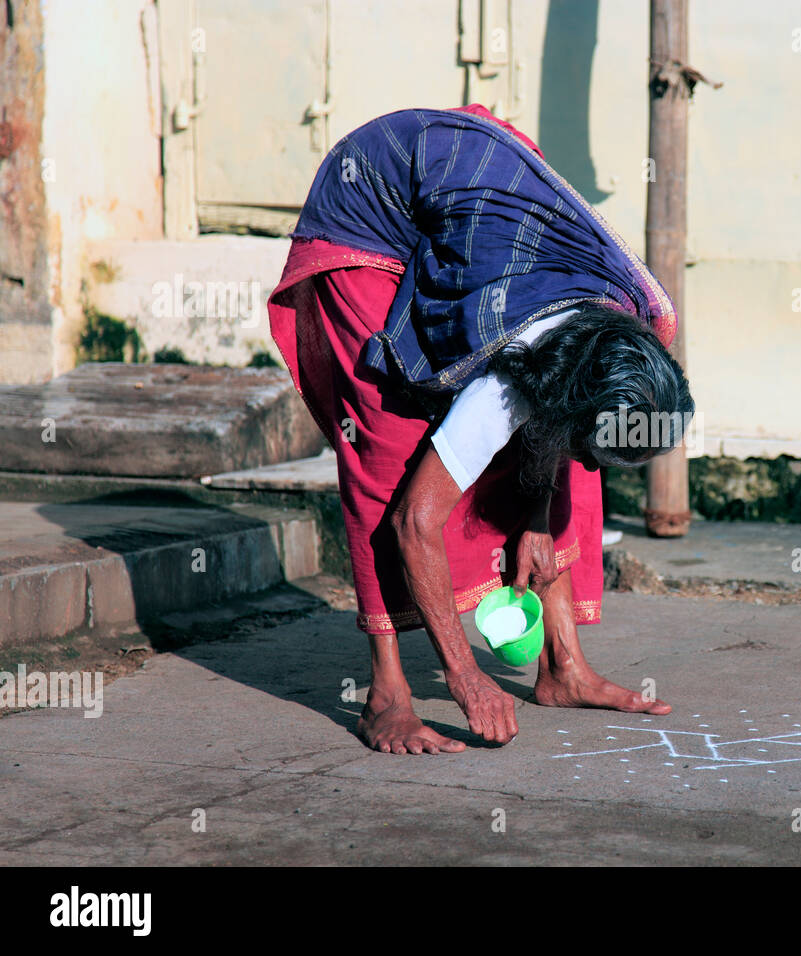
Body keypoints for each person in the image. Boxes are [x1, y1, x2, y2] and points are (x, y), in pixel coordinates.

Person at [268, 105, 693, 754]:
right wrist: (466, 677)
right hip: (373, 193)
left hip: (483, 187)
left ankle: (563, 667)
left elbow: (564, 413)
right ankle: (385, 694)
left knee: (589, 446)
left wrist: (539, 519)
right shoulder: (507, 378)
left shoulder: (645, 319)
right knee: (388, 440)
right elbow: (417, 521)